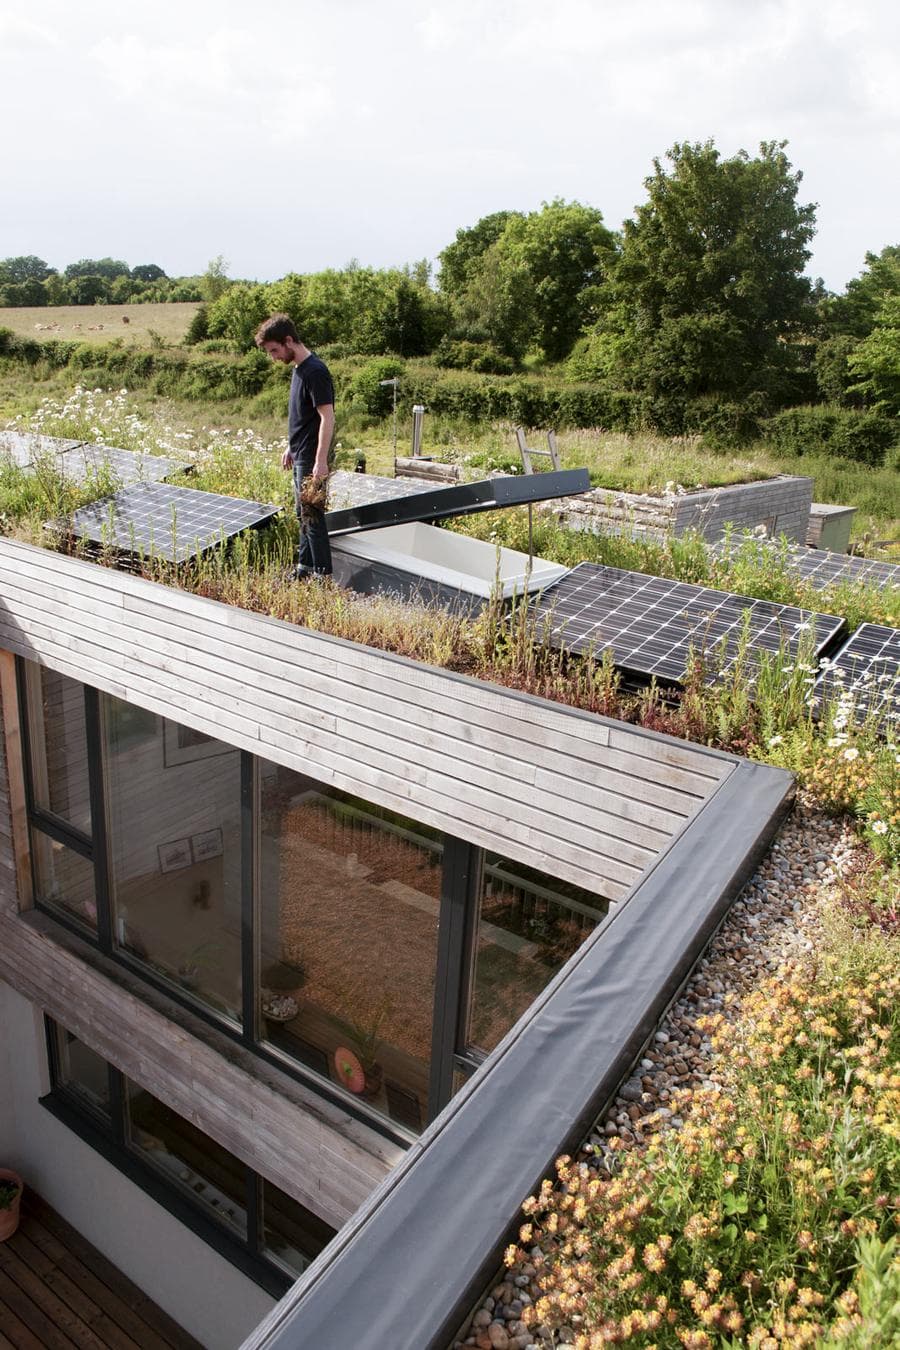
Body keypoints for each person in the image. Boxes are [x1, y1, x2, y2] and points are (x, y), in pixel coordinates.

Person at [255, 313, 334, 579]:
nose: (273, 356)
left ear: (289, 341)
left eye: (274, 350)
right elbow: (304, 417)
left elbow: (327, 417)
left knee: (312, 516)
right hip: (300, 452)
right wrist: (291, 445)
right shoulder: (299, 370)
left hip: (312, 457)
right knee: (303, 514)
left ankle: (322, 577)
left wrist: (320, 461)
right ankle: (304, 568)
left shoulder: (315, 371)